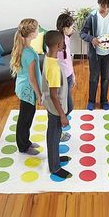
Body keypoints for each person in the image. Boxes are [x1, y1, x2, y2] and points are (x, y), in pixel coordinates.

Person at [80, 0, 109, 110]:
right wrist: (92, 39)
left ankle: (104, 101)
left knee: (106, 78)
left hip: (108, 54)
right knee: (93, 78)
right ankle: (91, 101)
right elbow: (82, 33)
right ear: (99, 3)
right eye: (103, 5)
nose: (106, 8)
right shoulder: (92, 16)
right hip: (95, 54)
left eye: (108, 6)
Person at [42, 30, 72, 179]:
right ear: (59, 45)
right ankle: (54, 168)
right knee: (53, 137)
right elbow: (54, 95)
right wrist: (62, 115)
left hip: (52, 106)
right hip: (55, 110)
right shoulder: (53, 68)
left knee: (55, 134)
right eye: (63, 42)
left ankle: (55, 159)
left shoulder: (49, 58)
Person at [10, 18, 42, 155]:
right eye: (37, 28)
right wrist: (39, 95)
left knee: (27, 116)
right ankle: (23, 146)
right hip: (28, 90)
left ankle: (26, 141)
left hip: (23, 87)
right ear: (32, 33)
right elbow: (33, 78)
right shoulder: (29, 53)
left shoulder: (25, 48)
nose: (39, 30)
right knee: (25, 118)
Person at [56, 10, 76, 141]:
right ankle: (57, 132)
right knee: (64, 107)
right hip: (60, 79)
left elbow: (68, 59)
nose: (73, 29)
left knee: (68, 106)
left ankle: (58, 129)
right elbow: (54, 64)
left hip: (68, 76)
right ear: (65, 28)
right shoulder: (55, 43)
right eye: (72, 27)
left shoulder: (67, 39)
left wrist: (73, 75)